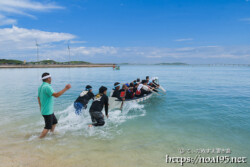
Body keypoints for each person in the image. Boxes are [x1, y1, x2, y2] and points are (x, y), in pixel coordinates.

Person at [38, 72, 71, 138]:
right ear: (48, 78)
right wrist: (66, 88)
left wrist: (41, 107)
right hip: (47, 111)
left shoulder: (41, 86)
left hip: (46, 110)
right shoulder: (47, 87)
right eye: (50, 78)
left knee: (54, 122)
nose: (51, 79)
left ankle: (51, 134)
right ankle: (39, 139)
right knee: (47, 127)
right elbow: (56, 95)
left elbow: (38, 97)